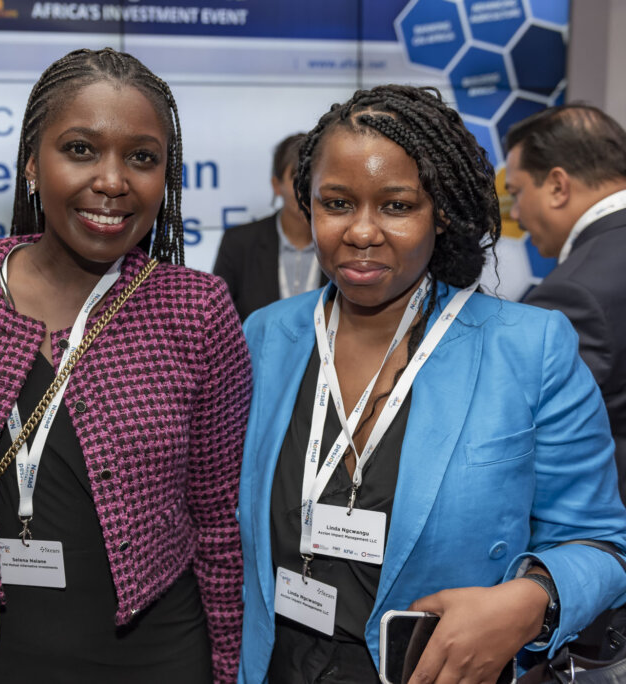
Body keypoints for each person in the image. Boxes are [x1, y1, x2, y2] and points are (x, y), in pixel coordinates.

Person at [237, 85, 626, 683]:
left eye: (396, 205)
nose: (361, 232)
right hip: (278, 666)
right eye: (336, 203)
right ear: (307, 206)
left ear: (440, 213)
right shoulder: (266, 336)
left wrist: (533, 601)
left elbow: (601, 541)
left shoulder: (528, 347)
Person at [0, 48, 251, 683]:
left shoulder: (197, 310)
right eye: (81, 149)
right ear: (33, 162)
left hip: (158, 656)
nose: (112, 181)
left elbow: (219, 522)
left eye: (142, 158)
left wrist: (226, 670)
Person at [505, 104, 626, 501]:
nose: (516, 214)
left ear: (558, 186)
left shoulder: (577, 292)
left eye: (517, 193)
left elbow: (534, 435)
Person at [213, 133, 324, 321]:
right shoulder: (239, 243)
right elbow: (218, 321)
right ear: (276, 185)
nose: (307, 189)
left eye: (315, 177)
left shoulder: (340, 241)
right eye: (297, 178)